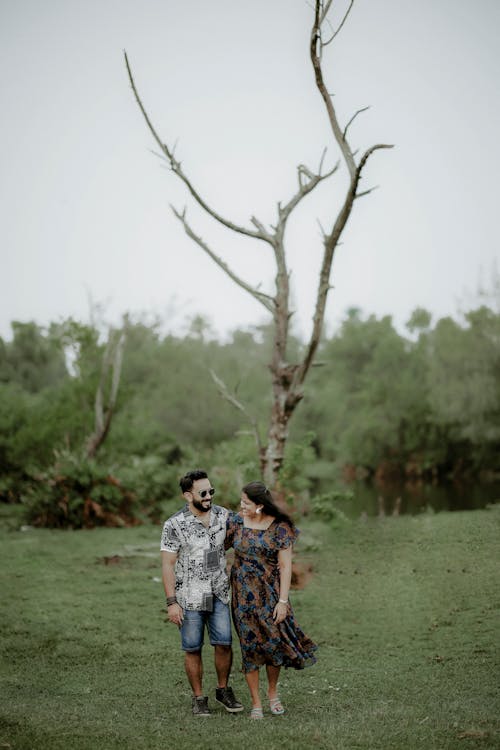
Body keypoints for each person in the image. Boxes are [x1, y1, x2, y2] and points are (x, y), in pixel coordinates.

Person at [226, 480, 317, 719]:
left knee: (272, 645)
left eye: (245, 502)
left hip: (270, 596)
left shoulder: (280, 527)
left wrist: (283, 602)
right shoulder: (235, 523)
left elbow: (286, 567)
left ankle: (272, 694)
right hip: (241, 598)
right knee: (250, 648)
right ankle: (256, 702)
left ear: (259, 505)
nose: (241, 505)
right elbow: (216, 546)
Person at [161, 469, 243, 717]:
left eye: (211, 491)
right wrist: (171, 602)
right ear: (188, 496)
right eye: (203, 493)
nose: (209, 497)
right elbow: (167, 564)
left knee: (224, 644)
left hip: (218, 592)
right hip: (189, 595)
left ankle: (223, 690)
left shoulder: (224, 516)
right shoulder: (174, 524)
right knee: (193, 647)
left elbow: (240, 534)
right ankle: (199, 698)